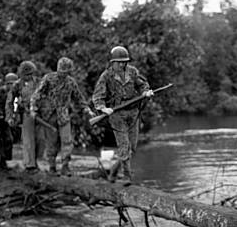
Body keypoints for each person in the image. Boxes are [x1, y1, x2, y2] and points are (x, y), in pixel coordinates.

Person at [92, 46, 154, 184]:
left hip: (133, 113)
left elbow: (142, 85)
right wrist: (103, 108)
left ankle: (113, 170)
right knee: (124, 146)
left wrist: (146, 92)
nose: (122, 64)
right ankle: (127, 176)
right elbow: (97, 96)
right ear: (112, 62)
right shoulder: (106, 76)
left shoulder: (132, 72)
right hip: (117, 115)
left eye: (124, 61)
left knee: (132, 146)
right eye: (119, 62)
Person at [29, 57, 94, 176]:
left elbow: (78, 98)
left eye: (66, 72)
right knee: (51, 142)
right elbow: (37, 94)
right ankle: (52, 167)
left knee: (67, 141)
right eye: (62, 71)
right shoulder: (48, 78)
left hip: (64, 115)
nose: (64, 74)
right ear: (58, 69)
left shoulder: (71, 82)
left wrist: (87, 110)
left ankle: (65, 166)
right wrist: (33, 108)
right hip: (49, 115)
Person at [6, 61, 41, 172]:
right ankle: (29, 165)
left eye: (30, 74)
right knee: (28, 140)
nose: (28, 76)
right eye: (26, 74)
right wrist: (10, 116)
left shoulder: (39, 83)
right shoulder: (17, 85)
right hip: (27, 114)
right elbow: (10, 101)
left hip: (40, 114)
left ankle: (35, 161)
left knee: (40, 140)